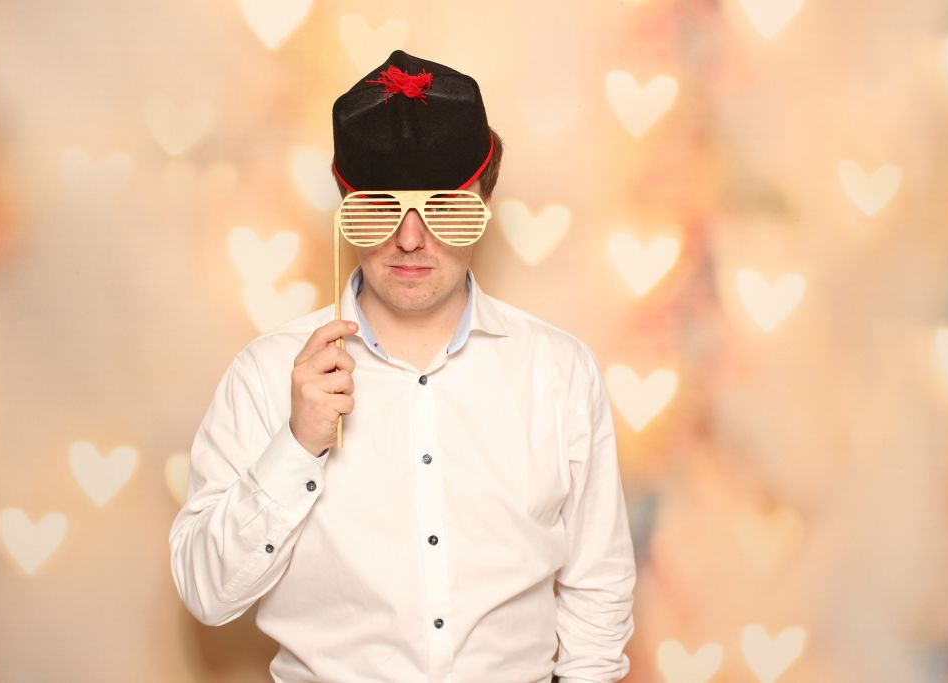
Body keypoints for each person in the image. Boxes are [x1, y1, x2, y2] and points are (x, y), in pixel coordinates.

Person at [169, 50, 636, 683]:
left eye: (444, 207)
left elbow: (597, 585)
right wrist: (296, 446)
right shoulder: (265, 373)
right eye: (379, 208)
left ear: (485, 200)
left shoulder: (559, 371)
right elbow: (206, 593)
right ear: (344, 205)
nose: (410, 239)